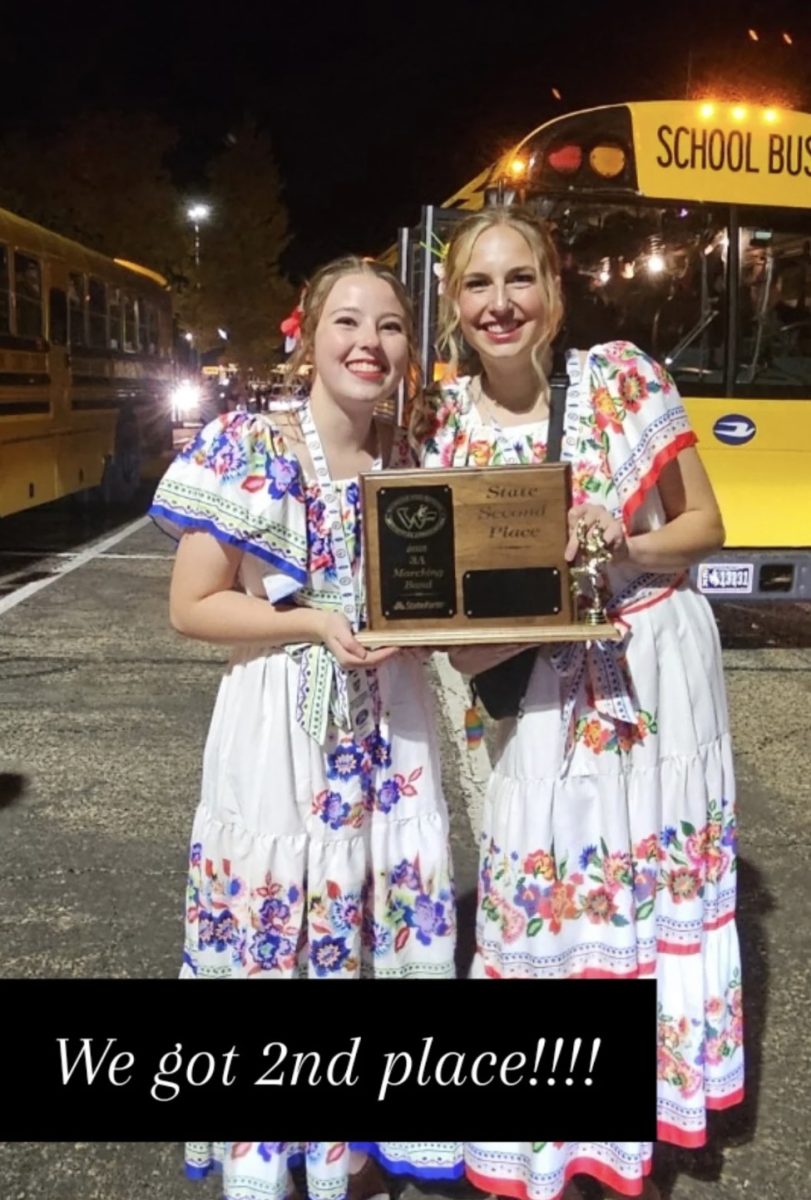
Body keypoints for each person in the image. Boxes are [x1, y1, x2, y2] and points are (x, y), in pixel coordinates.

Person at [411, 208, 742, 1200]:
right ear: (455, 309)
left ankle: (635, 1129)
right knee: (538, 885)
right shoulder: (441, 427)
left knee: (646, 886)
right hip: (531, 688)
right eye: (477, 286)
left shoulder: (623, 378)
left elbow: (706, 524)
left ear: (553, 291)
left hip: (651, 663)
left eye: (519, 280)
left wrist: (621, 543)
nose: (500, 304)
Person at [149, 255, 457, 1200]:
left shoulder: (407, 457)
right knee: (281, 931)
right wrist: (312, 622)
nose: (370, 344)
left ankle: (345, 1156)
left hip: (388, 724)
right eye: (348, 324)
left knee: (364, 916)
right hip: (282, 720)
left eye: (392, 326)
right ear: (309, 337)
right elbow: (192, 607)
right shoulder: (252, 446)